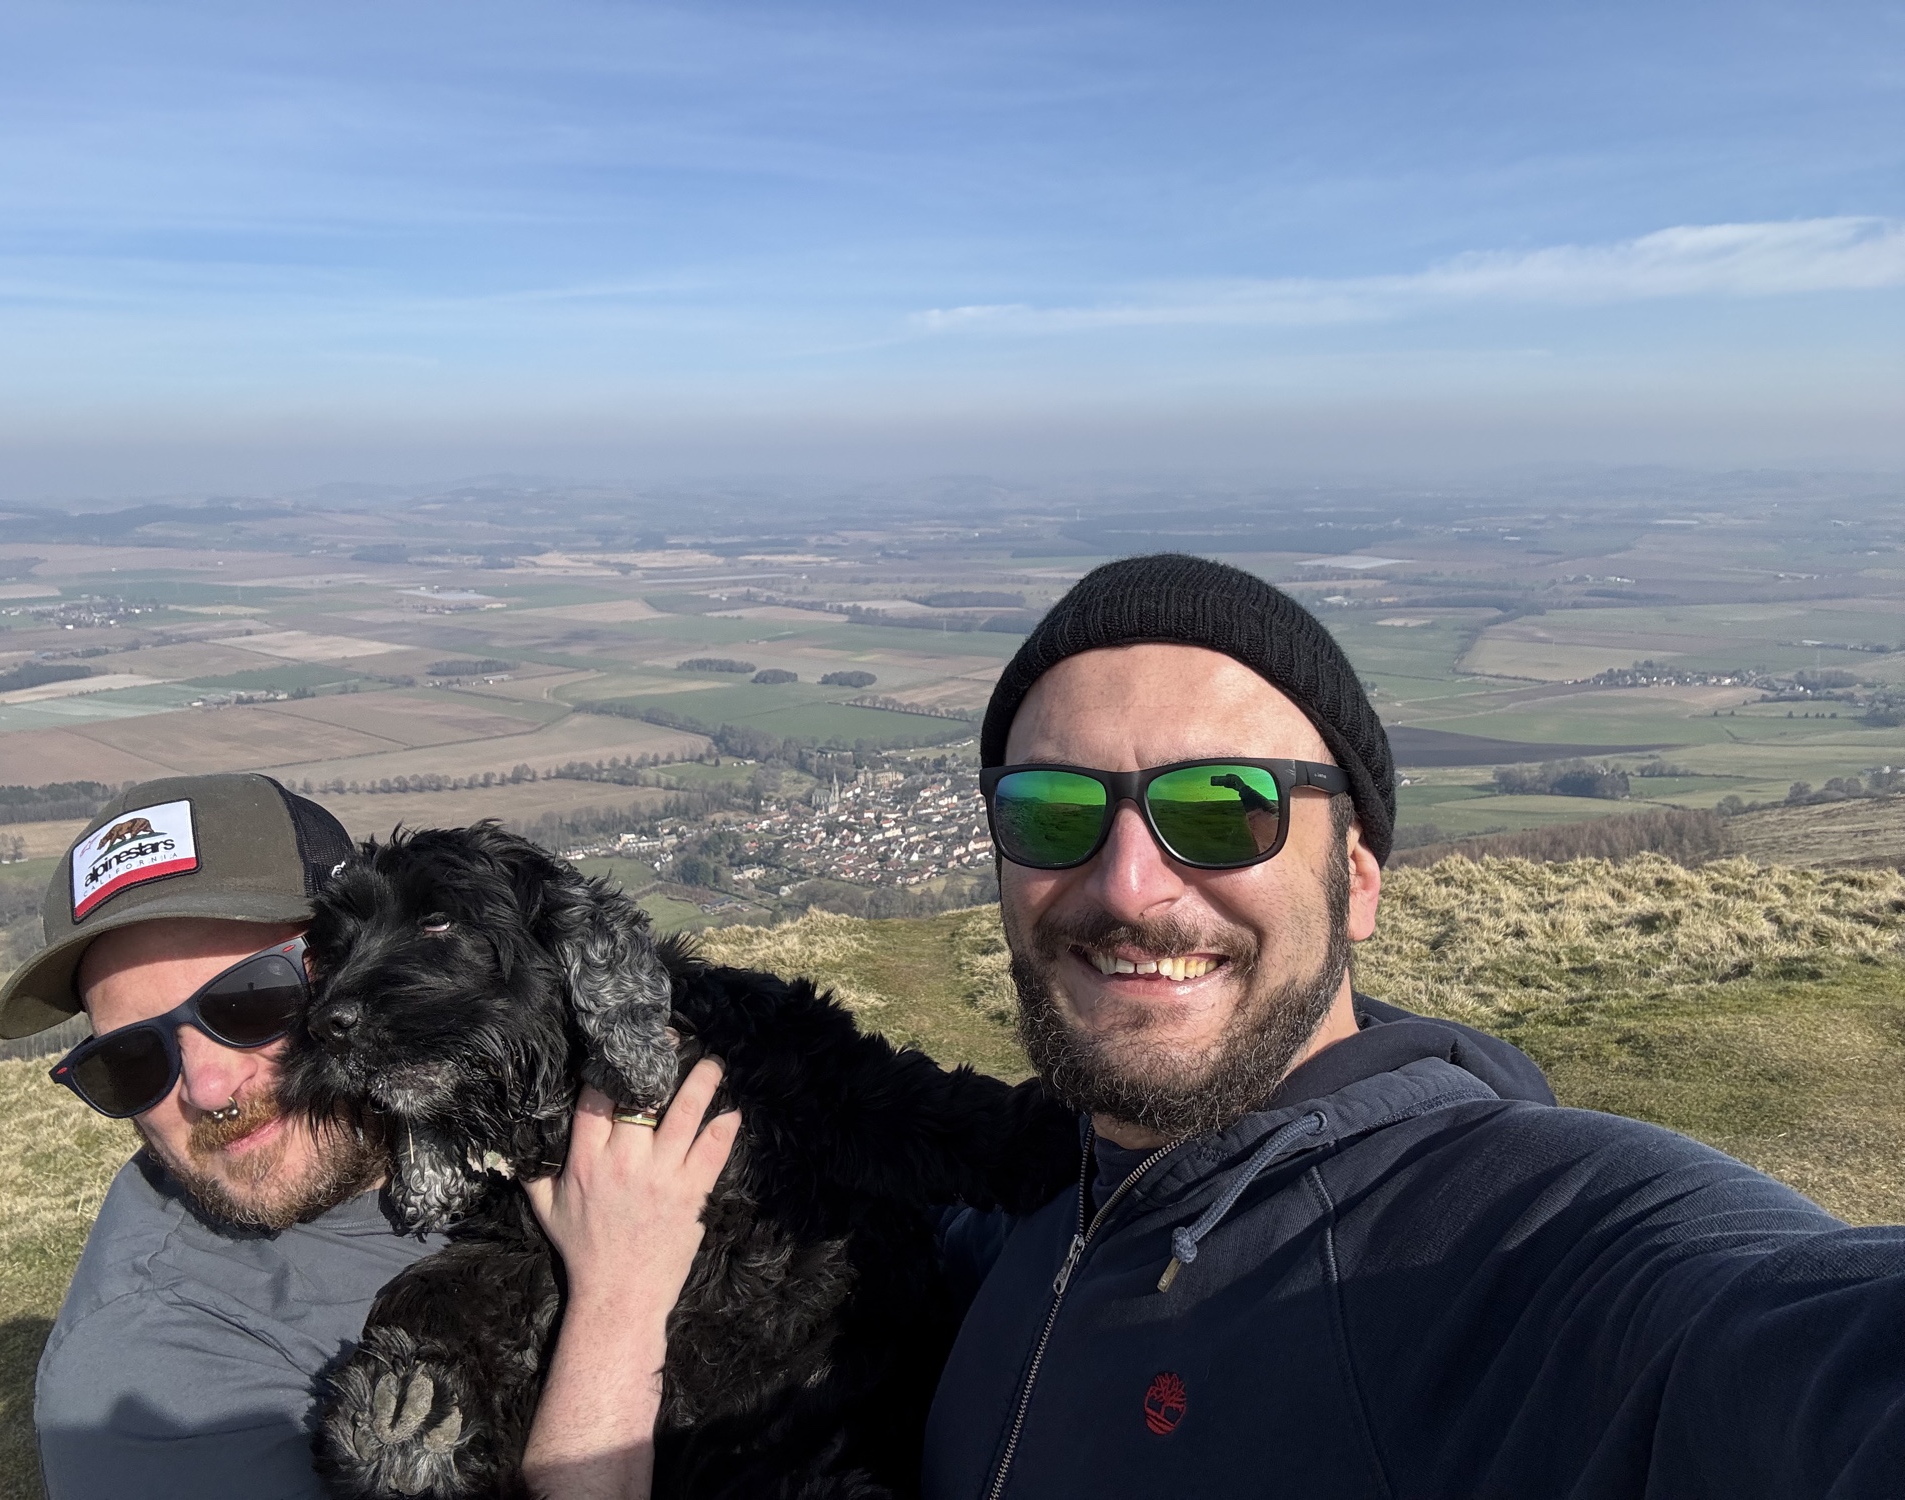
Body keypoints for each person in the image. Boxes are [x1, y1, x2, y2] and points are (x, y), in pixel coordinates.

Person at [541, 552, 1905, 1499]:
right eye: (1053, 811)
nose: (1129, 886)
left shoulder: (1518, 1239)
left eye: (1219, 807)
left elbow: (1797, 1348)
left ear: (1356, 876)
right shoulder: (1035, 1203)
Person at [0, 774, 448, 1500]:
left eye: (253, 998)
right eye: (132, 1057)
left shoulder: (503, 1094)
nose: (206, 1089)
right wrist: (617, 1294)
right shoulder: (145, 1387)